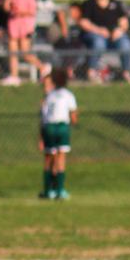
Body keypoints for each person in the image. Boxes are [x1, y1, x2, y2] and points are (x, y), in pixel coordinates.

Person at [72, 0, 130, 81]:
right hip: (94, 33)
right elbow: (83, 22)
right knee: (98, 42)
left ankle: (126, 73)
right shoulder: (89, 4)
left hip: (113, 35)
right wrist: (99, 30)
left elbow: (124, 22)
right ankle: (91, 71)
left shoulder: (115, 4)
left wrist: (119, 31)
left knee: (125, 44)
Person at [38, 66, 78, 200]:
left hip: (48, 127)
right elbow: (73, 117)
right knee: (60, 158)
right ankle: (60, 191)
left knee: (48, 158)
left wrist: (41, 136)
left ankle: (48, 190)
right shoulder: (68, 95)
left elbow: (43, 116)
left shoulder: (49, 96)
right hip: (61, 127)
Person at [1, 0, 43, 84]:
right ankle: (14, 75)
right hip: (14, 26)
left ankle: (42, 67)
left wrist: (20, 12)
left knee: (25, 53)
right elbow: (6, 7)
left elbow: (32, 11)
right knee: (13, 52)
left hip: (24, 27)